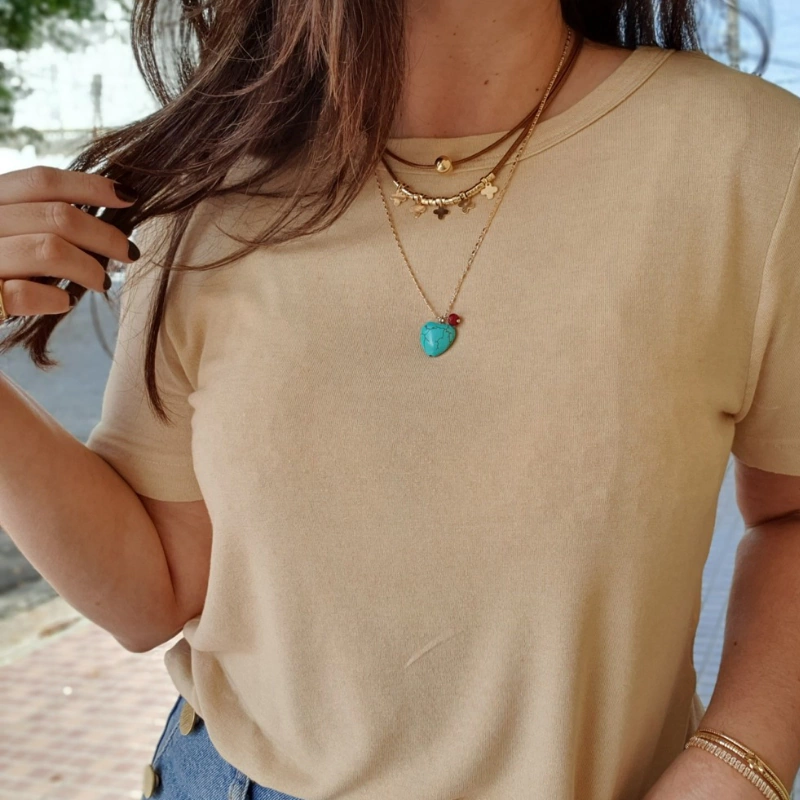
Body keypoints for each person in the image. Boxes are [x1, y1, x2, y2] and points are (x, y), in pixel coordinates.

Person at [1, 0, 800, 798]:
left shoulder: (749, 157)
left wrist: (737, 765)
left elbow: (790, 514)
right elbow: (158, 589)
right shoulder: (214, 190)